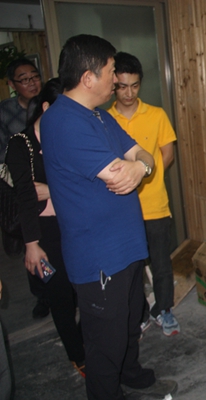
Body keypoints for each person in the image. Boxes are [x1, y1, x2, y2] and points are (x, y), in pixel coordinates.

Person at [40, 34, 176, 399]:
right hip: (99, 255)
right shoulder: (63, 121)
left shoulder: (99, 115)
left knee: (130, 322)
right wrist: (137, 167)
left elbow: (142, 154)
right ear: (88, 77)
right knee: (105, 342)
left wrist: (140, 167)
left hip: (127, 245)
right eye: (111, 71)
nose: (116, 80)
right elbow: (119, 173)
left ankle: (130, 374)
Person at [5, 78, 86, 377]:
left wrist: (52, 190)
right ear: (48, 107)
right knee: (60, 296)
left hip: (75, 224)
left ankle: (87, 341)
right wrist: (31, 244)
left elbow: (86, 183)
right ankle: (78, 356)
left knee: (88, 291)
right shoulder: (21, 144)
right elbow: (27, 197)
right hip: (44, 232)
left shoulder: (70, 138)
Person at [107, 52, 180, 337]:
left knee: (161, 263)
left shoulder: (157, 114)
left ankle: (164, 309)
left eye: (134, 86)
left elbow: (167, 155)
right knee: (130, 268)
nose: (129, 93)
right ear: (113, 85)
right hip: (120, 209)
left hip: (155, 204)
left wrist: (149, 177)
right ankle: (137, 313)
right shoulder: (104, 119)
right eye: (122, 86)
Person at [0, 58, 47, 316]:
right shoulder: (5, 113)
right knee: (32, 243)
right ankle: (42, 296)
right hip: (23, 189)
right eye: (24, 79)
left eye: (35, 76)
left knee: (54, 244)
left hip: (49, 187)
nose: (32, 83)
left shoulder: (48, 104)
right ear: (12, 84)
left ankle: (60, 292)